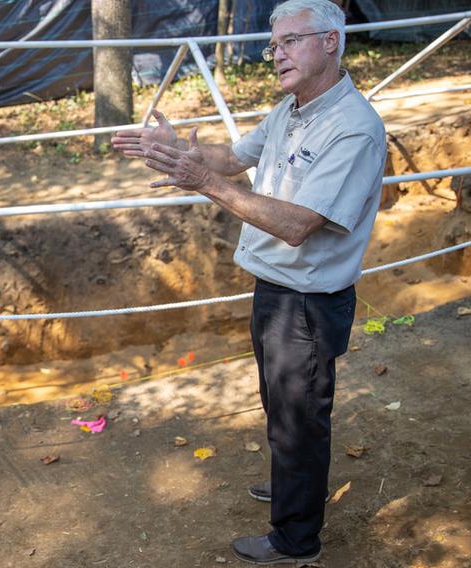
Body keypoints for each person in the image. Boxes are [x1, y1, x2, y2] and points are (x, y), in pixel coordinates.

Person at [112, 0, 386, 564]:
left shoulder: (354, 129)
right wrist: (178, 153)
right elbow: (233, 157)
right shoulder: (293, 108)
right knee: (282, 404)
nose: (275, 54)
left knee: (301, 412)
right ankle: (293, 483)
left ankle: (296, 539)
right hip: (275, 290)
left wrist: (205, 182)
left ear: (331, 42)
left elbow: (296, 224)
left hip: (309, 300)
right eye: (272, 44)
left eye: (289, 41)